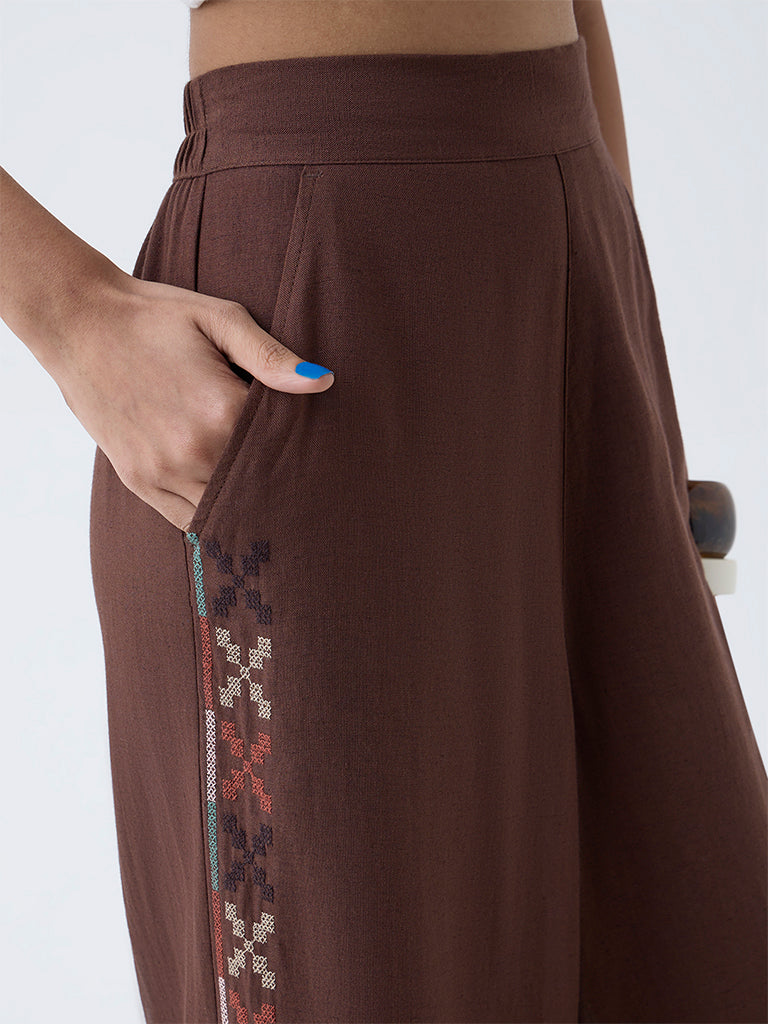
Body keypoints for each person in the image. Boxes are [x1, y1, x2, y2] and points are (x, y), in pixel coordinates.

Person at [1, 3, 765, 1023]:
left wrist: (623, 377)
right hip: (316, 329)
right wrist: (71, 314)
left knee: (691, 954)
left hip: (570, 284)